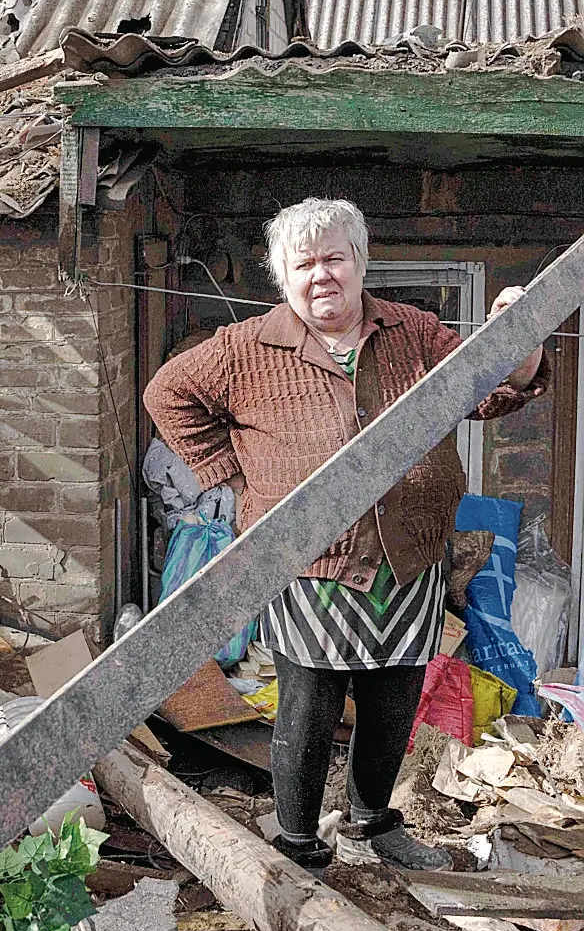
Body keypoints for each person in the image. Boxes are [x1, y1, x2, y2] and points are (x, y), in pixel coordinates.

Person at [144, 197, 550, 870]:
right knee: (309, 702)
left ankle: (374, 819)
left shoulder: (413, 330)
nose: (322, 273)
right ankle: (298, 840)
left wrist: (522, 346)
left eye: (335, 257)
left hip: (408, 553)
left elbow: (486, 391)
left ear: (360, 263)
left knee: (393, 697)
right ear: (284, 276)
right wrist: (235, 479)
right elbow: (166, 394)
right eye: (305, 262)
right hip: (310, 559)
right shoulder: (248, 347)